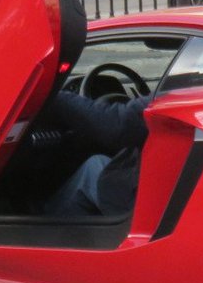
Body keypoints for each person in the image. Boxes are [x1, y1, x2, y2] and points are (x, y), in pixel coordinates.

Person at [42, 89, 152, 219]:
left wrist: (53, 95)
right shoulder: (179, 88)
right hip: (163, 187)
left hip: (150, 200)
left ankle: (42, 224)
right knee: (97, 163)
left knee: (96, 173)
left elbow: (117, 125)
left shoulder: (175, 91)